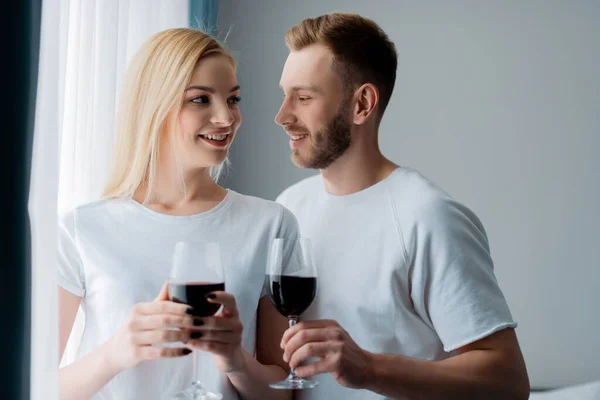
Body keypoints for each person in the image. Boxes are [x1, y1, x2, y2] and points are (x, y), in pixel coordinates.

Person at [274, 13, 530, 400]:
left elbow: (509, 381)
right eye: (284, 95)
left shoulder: (427, 217)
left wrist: (369, 368)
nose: (282, 116)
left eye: (304, 97)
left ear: (362, 103)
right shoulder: (288, 209)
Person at [58, 28, 295, 400]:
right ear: (155, 106)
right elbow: (33, 385)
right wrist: (116, 352)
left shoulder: (270, 224)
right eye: (200, 99)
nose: (226, 118)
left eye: (233, 100)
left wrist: (234, 360)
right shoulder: (81, 228)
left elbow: (283, 393)